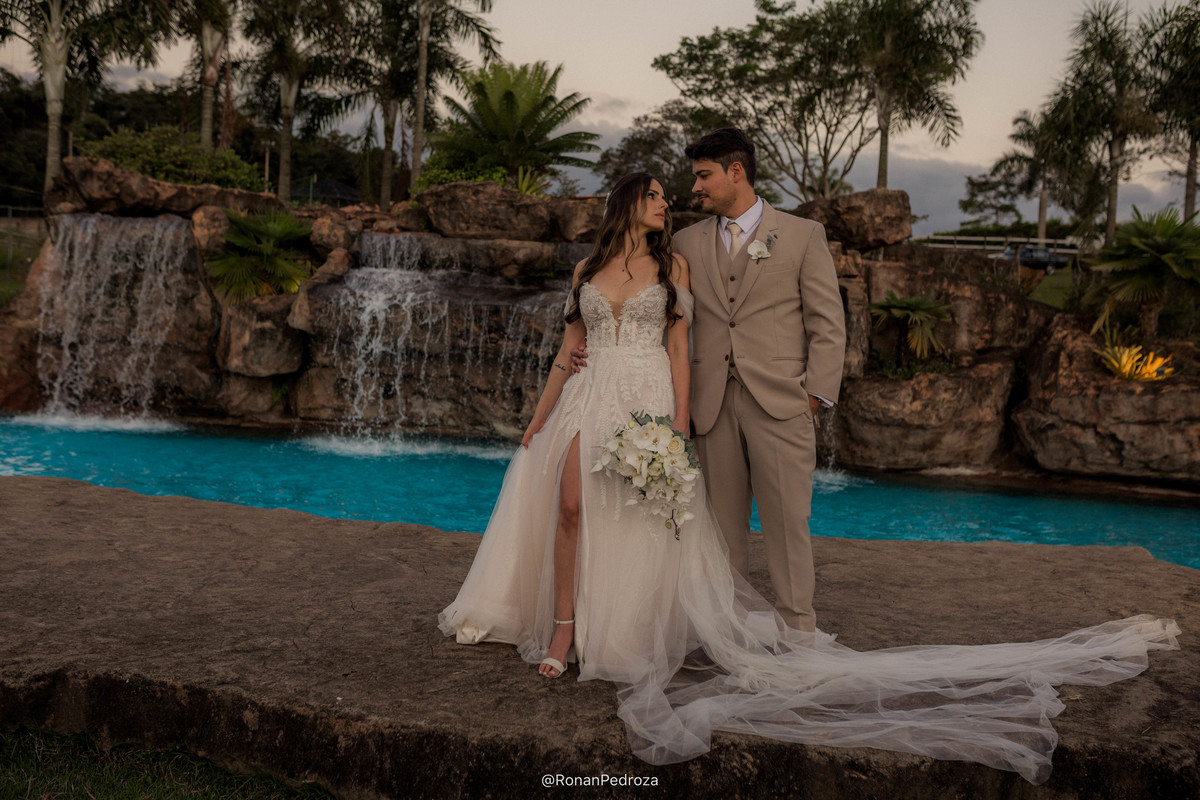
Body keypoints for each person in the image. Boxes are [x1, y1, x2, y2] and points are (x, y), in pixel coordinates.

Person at [438, 172, 1179, 782]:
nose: (672, 201)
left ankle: (625, 630)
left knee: (636, 515)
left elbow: (680, 352)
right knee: (571, 507)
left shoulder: (674, 268)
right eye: (659, 194)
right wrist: (537, 419)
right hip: (587, 397)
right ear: (630, 202)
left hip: (647, 401)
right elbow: (567, 351)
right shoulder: (586, 271)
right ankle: (564, 632)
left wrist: (679, 424)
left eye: (682, 188)